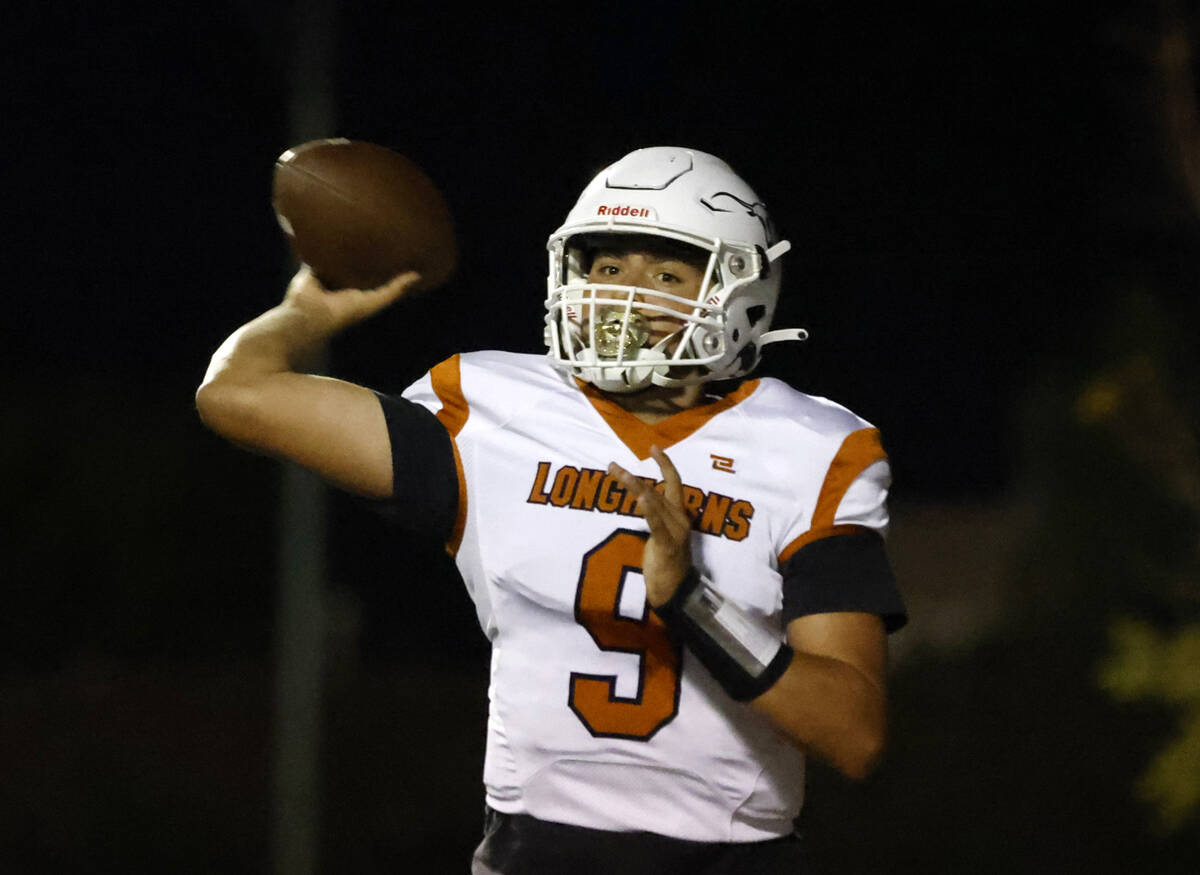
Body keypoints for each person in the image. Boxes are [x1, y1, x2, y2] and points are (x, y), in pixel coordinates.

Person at [196, 146, 907, 874]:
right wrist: (303, 312)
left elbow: (854, 733)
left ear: (736, 292)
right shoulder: (493, 413)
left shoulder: (810, 449)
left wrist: (692, 601)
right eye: (606, 268)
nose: (624, 294)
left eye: (665, 272)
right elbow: (236, 394)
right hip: (534, 853)